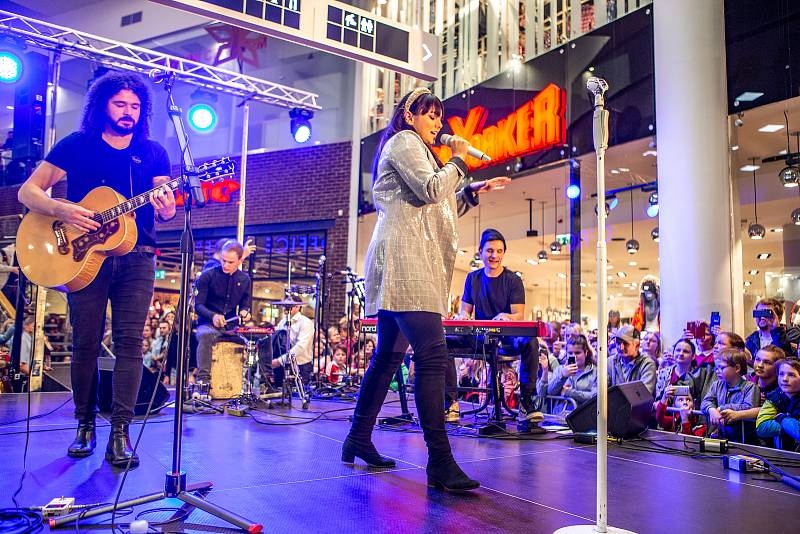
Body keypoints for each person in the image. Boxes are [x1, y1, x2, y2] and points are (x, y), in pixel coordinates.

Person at [342, 86, 508, 492]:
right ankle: (440, 461)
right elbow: (431, 189)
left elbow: (434, 205)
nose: (438, 121)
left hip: (409, 259)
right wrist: (458, 160)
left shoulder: (422, 152)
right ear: (409, 116)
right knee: (433, 356)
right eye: (430, 114)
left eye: (440, 115)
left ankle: (358, 438)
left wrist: (469, 191)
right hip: (405, 262)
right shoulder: (404, 142)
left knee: (387, 357)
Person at [17, 72, 175, 467]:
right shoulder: (76, 145)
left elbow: (166, 206)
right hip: (81, 256)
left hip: (138, 255)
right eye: (121, 105)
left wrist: (167, 205)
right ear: (102, 104)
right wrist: (62, 208)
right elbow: (27, 191)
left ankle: (119, 433)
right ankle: (84, 424)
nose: (128, 113)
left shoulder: (153, 151)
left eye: (136, 107)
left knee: (129, 343)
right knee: (86, 342)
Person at [446, 228, 542, 431]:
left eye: (499, 251)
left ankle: (526, 401)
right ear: (480, 252)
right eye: (490, 251)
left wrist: (507, 316)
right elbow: (466, 311)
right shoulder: (472, 279)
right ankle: (450, 402)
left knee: (531, 341)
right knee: (442, 342)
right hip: (481, 338)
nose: (494, 256)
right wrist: (463, 317)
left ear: (504, 253)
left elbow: (519, 316)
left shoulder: (513, 280)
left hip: (506, 339)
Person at [194, 241, 252, 386]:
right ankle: (203, 382)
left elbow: (245, 304)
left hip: (231, 328)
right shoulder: (208, 276)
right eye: (223, 260)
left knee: (264, 337)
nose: (225, 265)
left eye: (230, 262)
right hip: (208, 325)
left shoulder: (245, 280)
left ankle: (265, 382)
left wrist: (245, 312)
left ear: (240, 260)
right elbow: (198, 305)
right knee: (205, 336)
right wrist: (213, 316)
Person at [701, 347, 760, 443]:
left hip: (744, 440)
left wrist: (721, 409)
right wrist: (711, 410)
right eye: (716, 367)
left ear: (737, 368)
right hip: (722, 437)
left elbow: (749, 408)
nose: (717, 371)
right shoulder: (717, 385)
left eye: (722, 368)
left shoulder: (750, 387)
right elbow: (705, 402)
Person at [756, 359, 800, 449]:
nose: (784, 379)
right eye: (781, 374)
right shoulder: (775, 396)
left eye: (792, 375)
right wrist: (792, 426)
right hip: (784, 454)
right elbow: (761, 427)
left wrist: (782, 418)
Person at [271, 296, 315, 386]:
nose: (285, 308)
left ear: (298, 307)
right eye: (284, 305)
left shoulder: (305, 322)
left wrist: (279, 361)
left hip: (299, 366)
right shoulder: (283, 322)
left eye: (289, 305)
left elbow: (301, 346)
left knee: (296, 396)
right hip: (282, 367)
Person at [544, 334, 597, 405]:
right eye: (570, 353)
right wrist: (562, 376)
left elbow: (596, 396)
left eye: (577, 353)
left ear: (585, 353)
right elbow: (550, 392)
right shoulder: (560, 369)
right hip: (561, 414)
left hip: (584, 414)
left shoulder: (595, 372)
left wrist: (568, 392)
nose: (574, 356)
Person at [653, 339, 707, 403]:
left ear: (693, 356)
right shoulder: (664, 373)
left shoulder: (699, 375)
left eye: (685, 351)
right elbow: (658, 399)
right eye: (678, 350)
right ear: (673, 353)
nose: (681, 354)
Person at [608, 325, 657, 395]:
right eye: (618, 342)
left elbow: (643, 395)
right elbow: (603, 393)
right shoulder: (610, 362)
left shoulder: (647, 364)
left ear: (637, 346)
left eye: (625, 344)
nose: (621, 347)